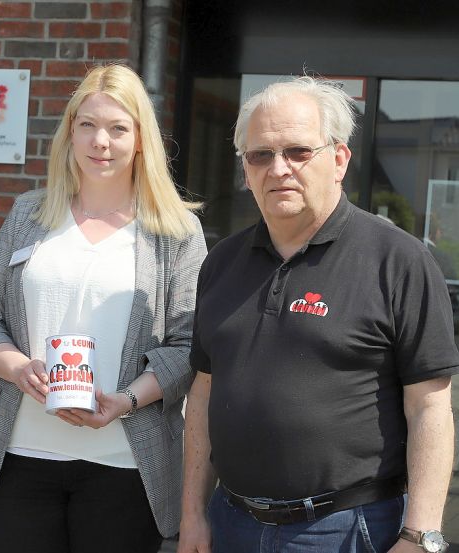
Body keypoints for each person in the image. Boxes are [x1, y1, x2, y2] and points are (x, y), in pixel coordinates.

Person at [179, 77, 459, 553]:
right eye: (260, 155)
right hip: (231, 522)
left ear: (340, 160)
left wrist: (420, 534)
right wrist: (192, 517)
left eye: (298, 151)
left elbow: (430, 407)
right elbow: (203, 394)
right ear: (246, 170)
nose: (279, 168)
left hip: (347, 528)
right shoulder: (220, 263)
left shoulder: (398, 260)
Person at [0, 64, 206, 553]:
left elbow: (190, 346)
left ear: (140, 140)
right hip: (20, 459)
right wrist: (16, 369)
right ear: (69, 133)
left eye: (118, 128)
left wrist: (129, 398)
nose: (101, 141)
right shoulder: (29, 215)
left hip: (124, 464)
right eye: (87, 125)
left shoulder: (175, 233)